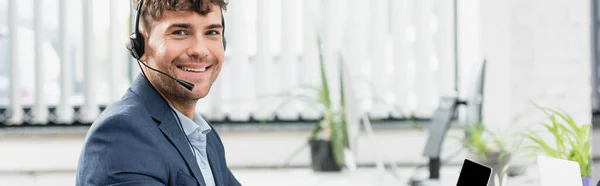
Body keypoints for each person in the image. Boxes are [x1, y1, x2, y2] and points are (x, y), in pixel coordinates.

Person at [75, 0, 240, 185]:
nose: (200, 50)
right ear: (141, 46)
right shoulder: (122, 134)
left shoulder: (204, 136)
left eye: (212, 32)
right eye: (180, 32)